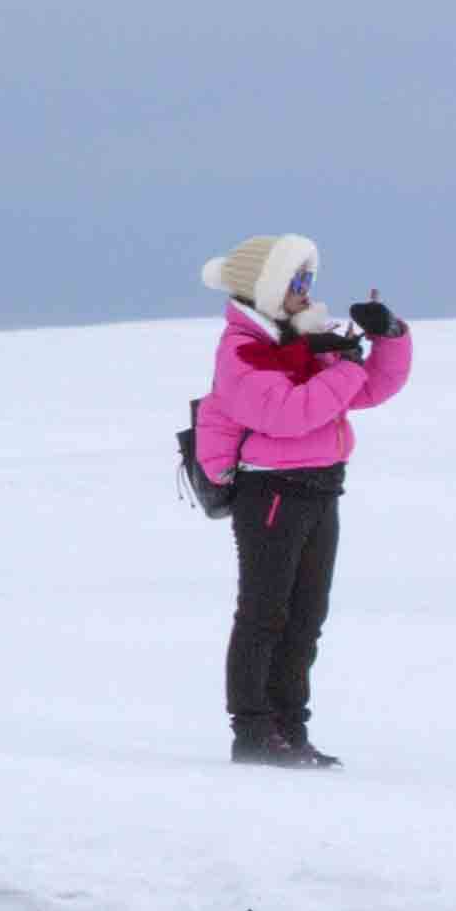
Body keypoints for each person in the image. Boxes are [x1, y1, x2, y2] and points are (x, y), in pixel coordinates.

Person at [192, 233, 412, 770]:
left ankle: (290, 728)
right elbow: (287, 414)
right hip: (270, 491)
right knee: (265, 613)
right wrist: (345, 367)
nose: (305, 290)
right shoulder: (242, 353)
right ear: (265, 289)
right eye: (294, 281)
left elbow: (371, 390)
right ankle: (253, 732)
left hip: (320, 486)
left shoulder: (301, 342)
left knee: (305, 617)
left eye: (308, 280)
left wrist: (390, 337)